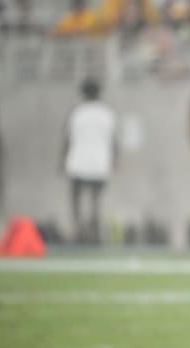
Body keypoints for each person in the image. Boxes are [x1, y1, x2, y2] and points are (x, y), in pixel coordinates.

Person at [61, 78, 118, 244]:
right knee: (96, 201)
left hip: (77, 162)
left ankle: (78, 232)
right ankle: (95, 235)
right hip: (99, 163)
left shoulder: (76, 112)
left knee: (76, 200)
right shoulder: (107, 113)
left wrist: (62, 161)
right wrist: (115, 160)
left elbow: (67, 139)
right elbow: (113, 140)